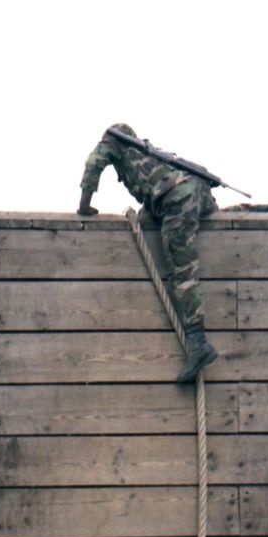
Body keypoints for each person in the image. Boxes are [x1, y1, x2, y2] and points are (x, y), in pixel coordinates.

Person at [78, 123, 219, 382]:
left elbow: (93, 162)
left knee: (181, 270)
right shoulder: (145, 149)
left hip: (175, 197)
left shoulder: (114, 138)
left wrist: (84, 207)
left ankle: (198, 343)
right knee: (215, 222)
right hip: (194, 187)